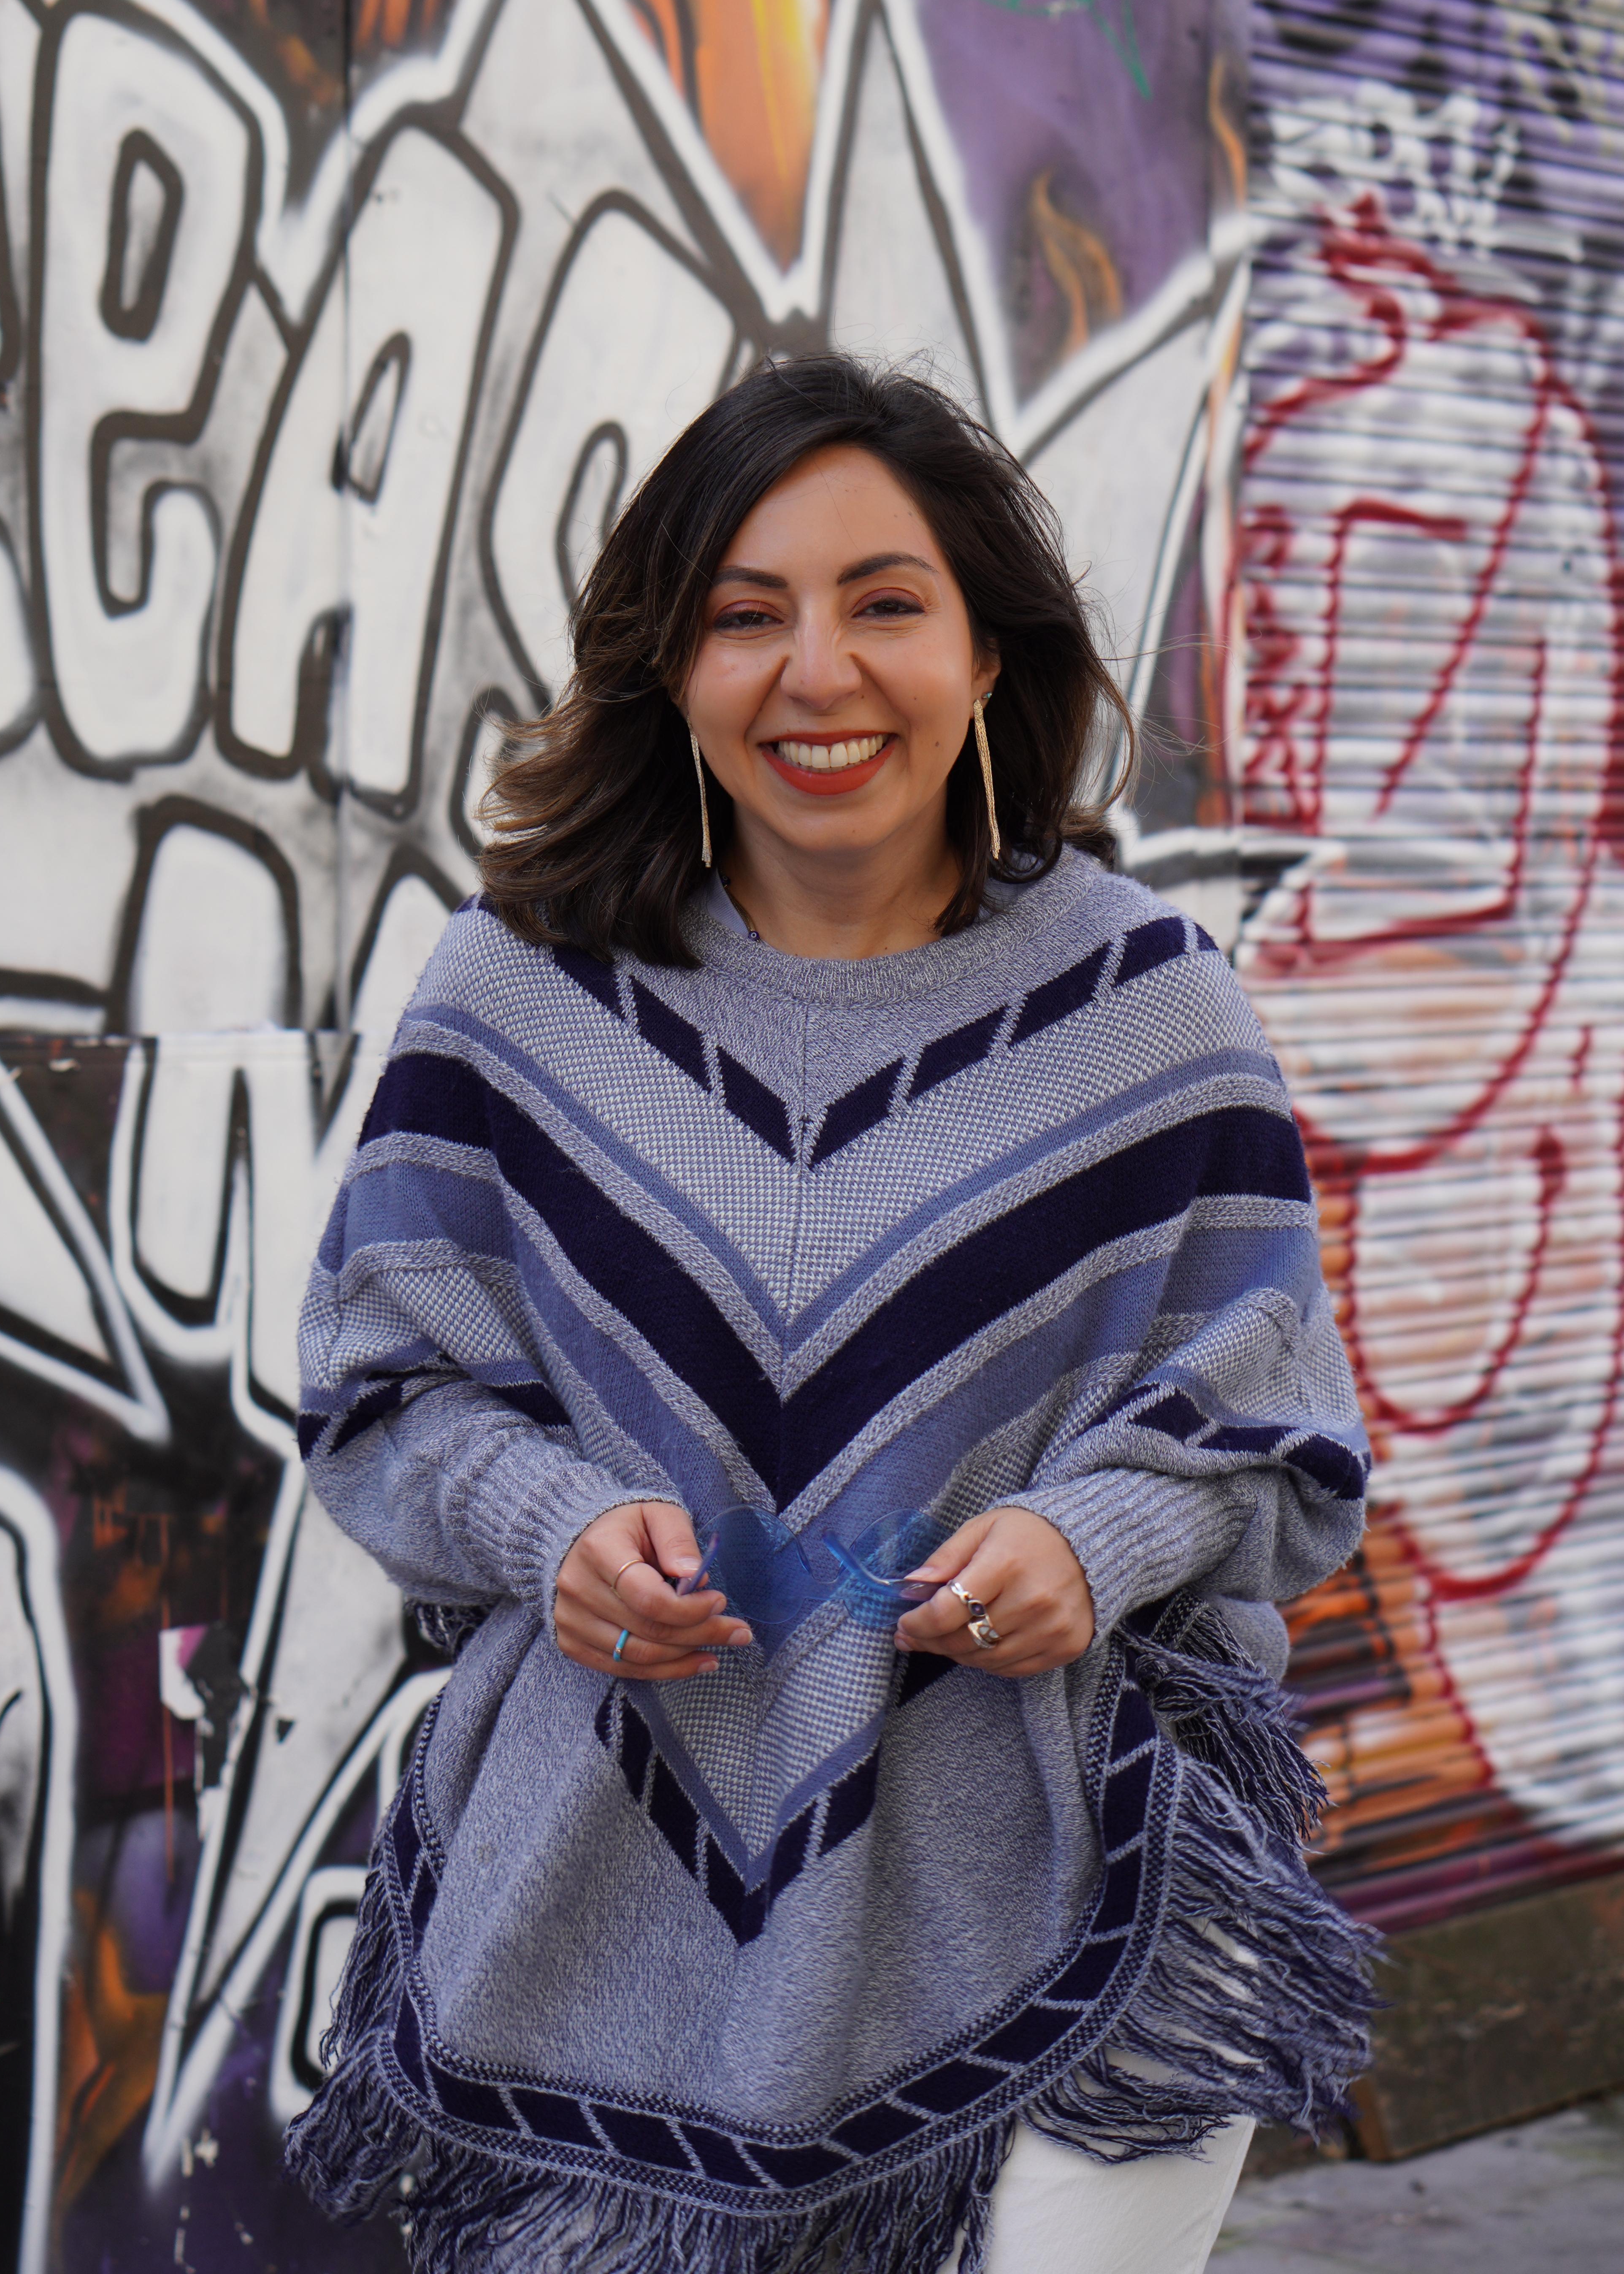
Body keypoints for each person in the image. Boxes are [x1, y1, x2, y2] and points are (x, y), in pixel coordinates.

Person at [285, 358, 1375, 2274]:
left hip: (1078, 1912)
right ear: (669, 666)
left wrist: (1090, 1540)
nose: (818, 674)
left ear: (984, 652)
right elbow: (384, 1390)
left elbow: (1279, 1431)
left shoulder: (1150, 1010)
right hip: (591, 1913)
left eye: (885, 602)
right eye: (745, 615)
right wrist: (551, 1525)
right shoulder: (517, 997)